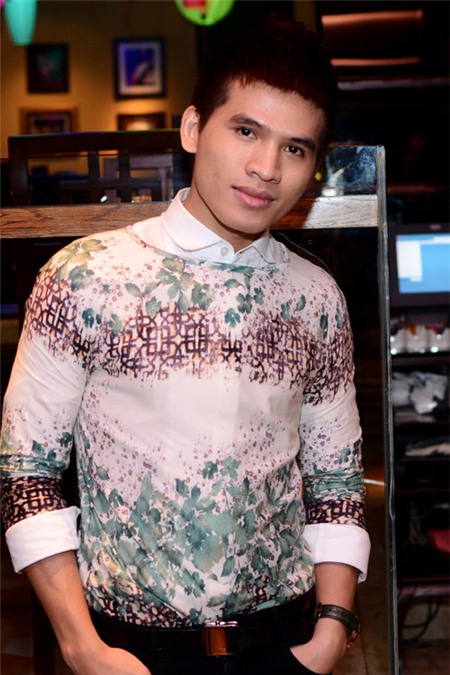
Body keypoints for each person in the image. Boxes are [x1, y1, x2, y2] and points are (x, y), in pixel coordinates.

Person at [1, 16, 370, 675]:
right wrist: (82, 647)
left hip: (284, 646)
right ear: (194, 128)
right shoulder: (85, 276)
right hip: (128, 652)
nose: (265, 168)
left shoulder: (316, 297)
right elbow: (26, 471)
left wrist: (331, 632)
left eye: (294, 148)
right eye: (246, 131)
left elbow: (336, 478)